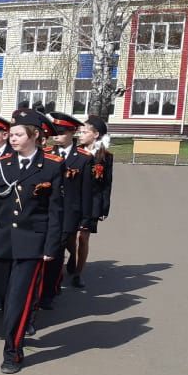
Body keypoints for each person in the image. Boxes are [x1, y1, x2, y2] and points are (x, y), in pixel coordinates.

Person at [0, 109, 64, 374]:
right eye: (11, 134)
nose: (12, 139)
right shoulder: (2, 163)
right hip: (3, 241)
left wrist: (51, 247)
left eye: (18, 134)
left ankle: (13, 351)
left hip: (32, 243)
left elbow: (55, 211)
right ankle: (17, 325)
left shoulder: (51, 165)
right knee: (5, 296)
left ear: (34, 135)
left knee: (18, 299)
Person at [40, 111, 93, 309]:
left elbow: (86, 191)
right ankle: (45, 286)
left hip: (69, 214)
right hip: (46, 213)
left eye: (61, 132)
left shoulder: (83, 158)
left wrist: (85, 219)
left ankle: (49, 293)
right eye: (55, 132)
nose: (57, 136)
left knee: (55, 253)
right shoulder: (46, 155)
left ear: (73, 133)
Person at [71, 115, 114, 287]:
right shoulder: (74, 152)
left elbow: (107, 183)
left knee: (83, 238)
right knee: (68, 238)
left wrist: (104, 208)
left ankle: (78, 273)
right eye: (80, 131)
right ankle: (72, 259)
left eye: (85, 131)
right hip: (74, 201)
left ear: (96, 135)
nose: (80, 134)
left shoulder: (105, 157)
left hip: (92, 203)